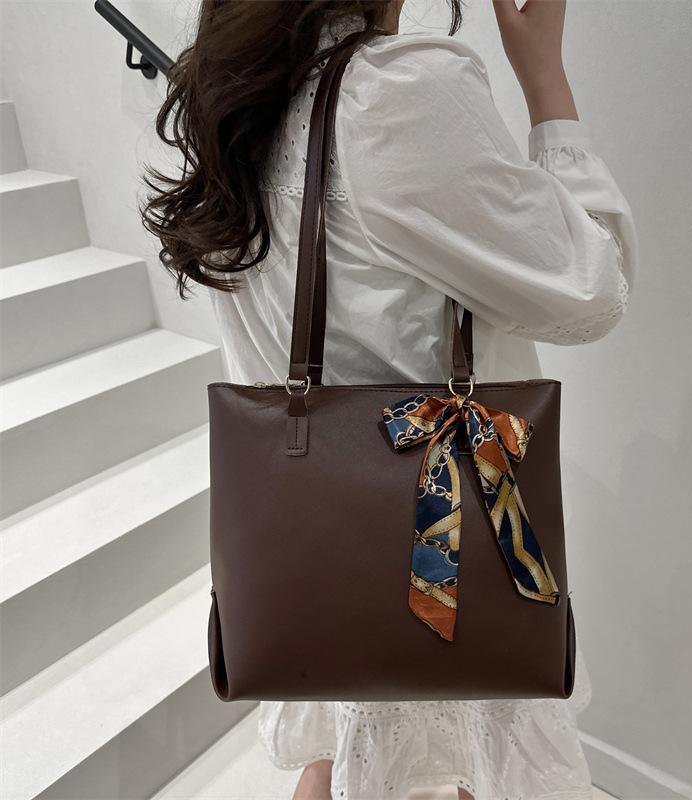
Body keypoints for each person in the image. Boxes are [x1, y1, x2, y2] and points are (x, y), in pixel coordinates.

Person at [142, 1, 638, 798]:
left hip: (316, 544)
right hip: (433, 553)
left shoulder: (230, 86)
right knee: (447, 763)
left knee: (343, 754)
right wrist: (546, 80)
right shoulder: (395, 92)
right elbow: (592, 290)